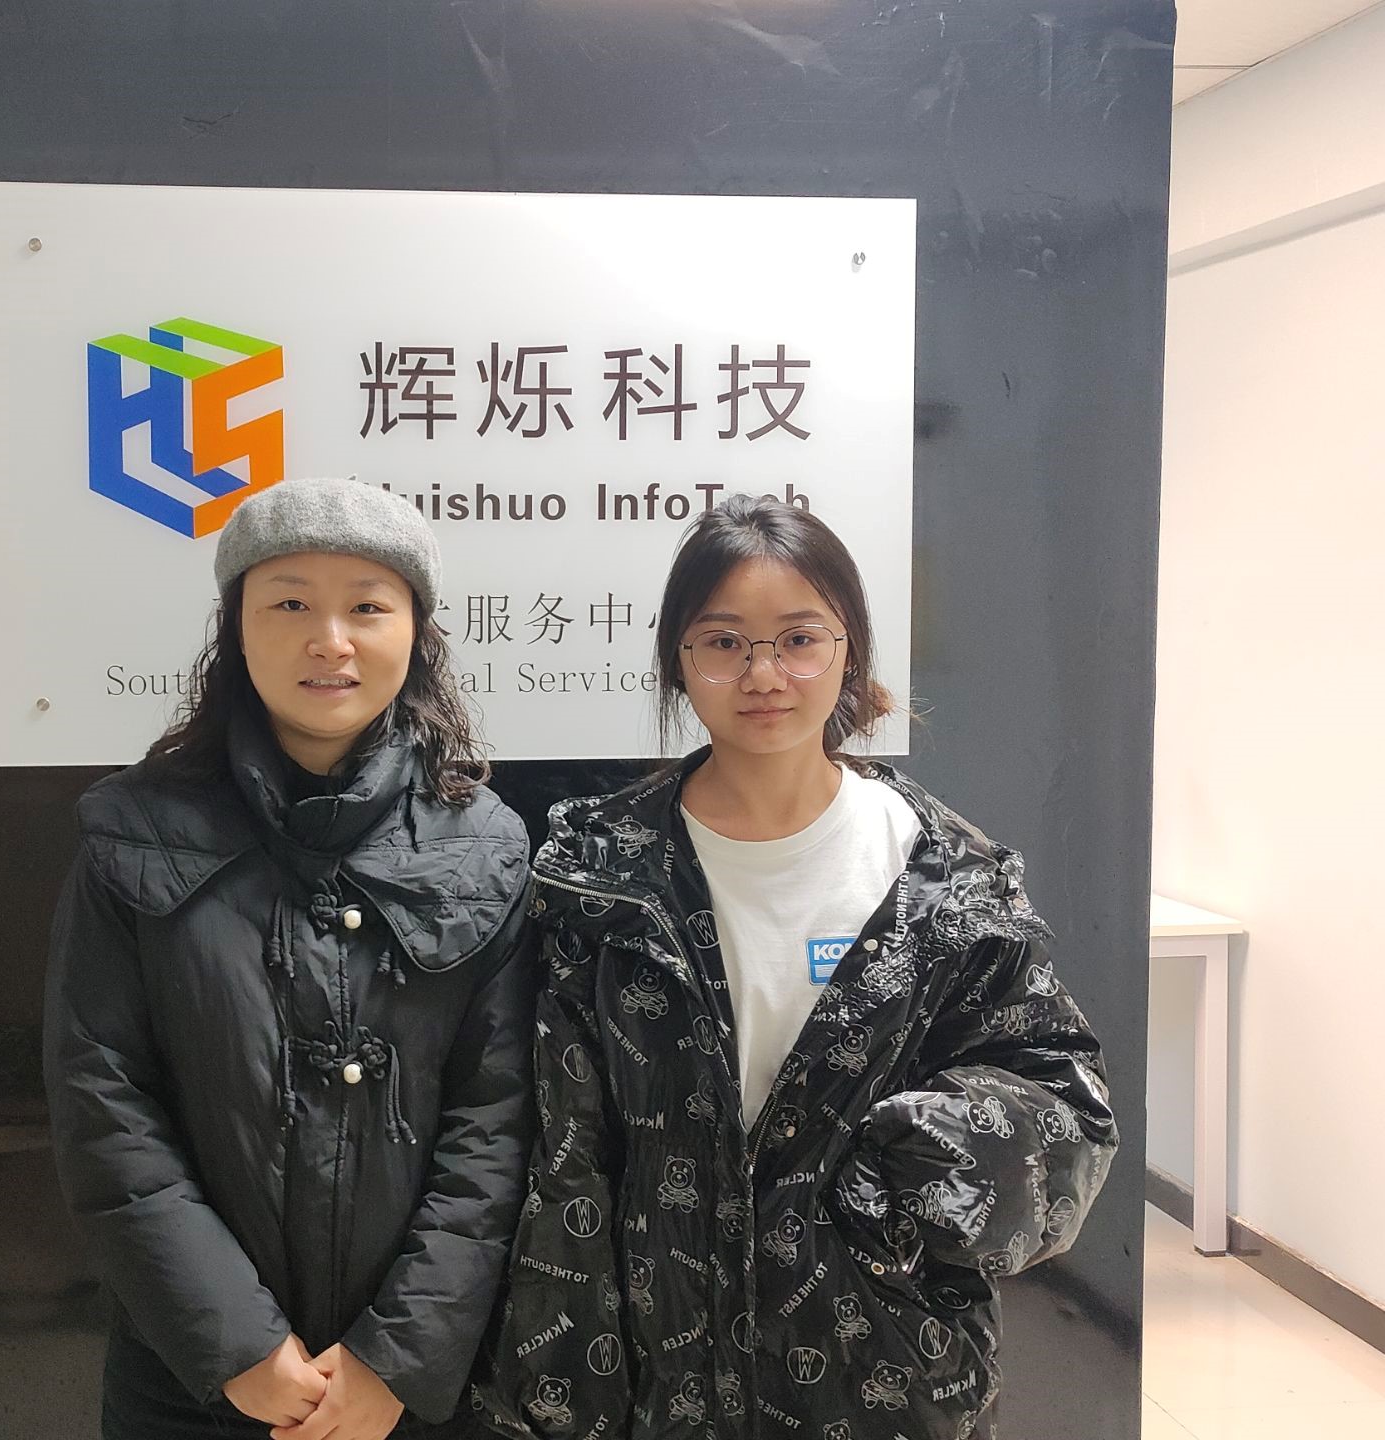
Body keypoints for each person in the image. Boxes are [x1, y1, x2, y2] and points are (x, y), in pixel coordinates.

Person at [475, 496, 1117, 1439]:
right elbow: (560, 1146)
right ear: (679, 661)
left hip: (883, 1369)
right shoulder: (597, 875)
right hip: (656, 1372)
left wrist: (901, 1172)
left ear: (849, 651)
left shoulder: (939, 872)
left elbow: (1061, 1100)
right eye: (723, 642)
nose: (764, 674)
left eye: (799, 639)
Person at [45, 478, 535, 1440]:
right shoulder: (135, 834)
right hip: (192, 1380)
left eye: (368, 607)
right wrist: (235, 1344)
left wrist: (396, 1358)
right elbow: (104, 1103)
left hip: (420, 1391)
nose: (331, 640)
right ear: (236, 628)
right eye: (291, 604)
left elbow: (500, 1118)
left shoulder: (485, 845)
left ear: (417, 631)